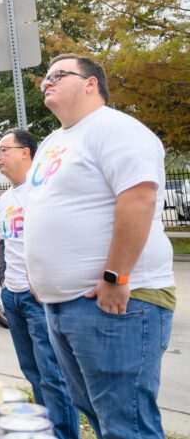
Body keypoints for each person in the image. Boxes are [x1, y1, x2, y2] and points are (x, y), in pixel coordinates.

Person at [26, 54, 175, 439]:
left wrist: (115, 275)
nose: (48, 82)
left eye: (59, 74)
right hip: (64, 305)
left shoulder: (115, 129)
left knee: (126, 423)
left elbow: (139, 198)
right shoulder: (54, 141)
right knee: (97, 414)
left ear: (91, 83)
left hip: (117, 301)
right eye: (46, 77)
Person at [0, 129, 79, 439]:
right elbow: (3, 244)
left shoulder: (43, 190)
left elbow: (62, 237)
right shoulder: (5, 198)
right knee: (33, 373)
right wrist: (3, 281)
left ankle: (63, 434)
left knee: (53, 375)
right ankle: (45, 430)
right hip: (13, 298)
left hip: (39, 298)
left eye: (4, 149)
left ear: (25, 152)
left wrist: (46, 279)